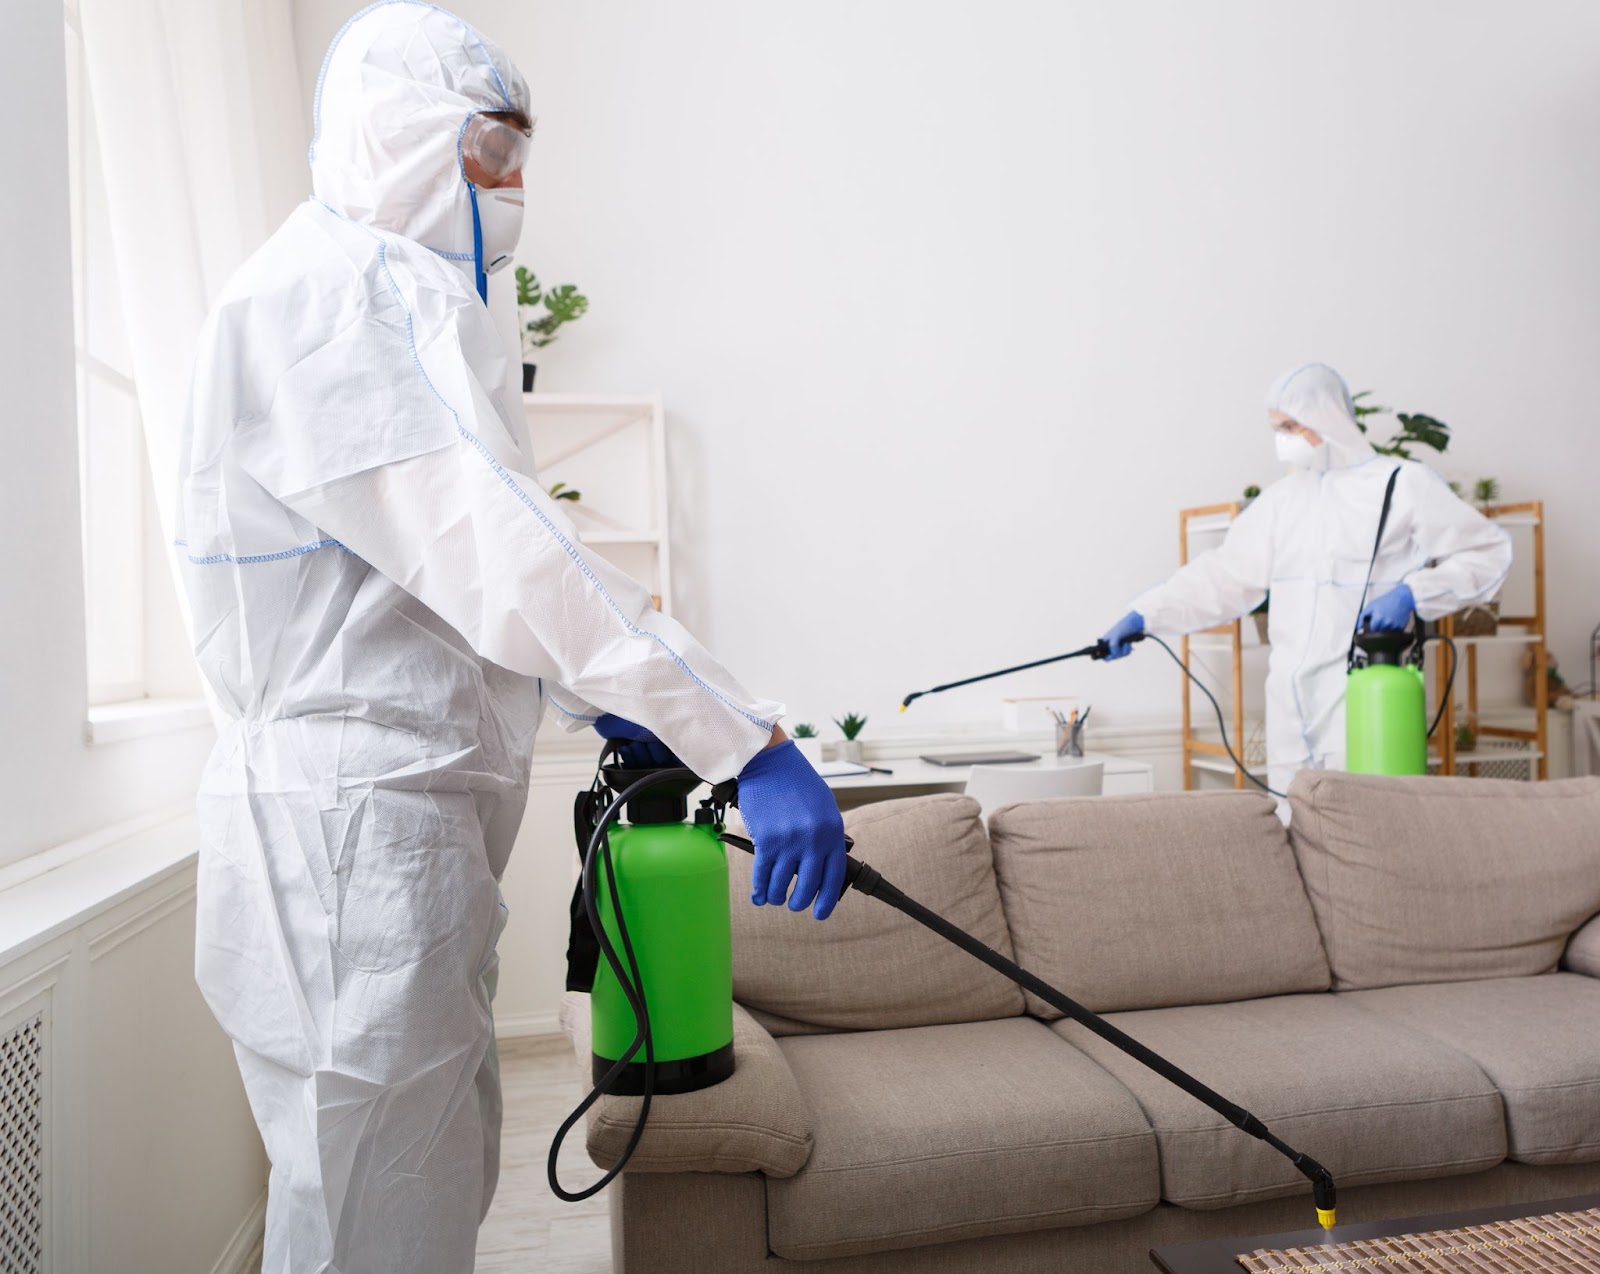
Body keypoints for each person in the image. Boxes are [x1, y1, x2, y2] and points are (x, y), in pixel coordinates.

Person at [174, 5, 844, 1271]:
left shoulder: (396, 301)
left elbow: (428, 589)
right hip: (349, 836)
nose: (514, 185)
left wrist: (607, 703)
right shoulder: (325, 303)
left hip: (391, 831)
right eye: (488, 150)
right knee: (380, 1224)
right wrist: (738, 736)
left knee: (414, 1193)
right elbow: (495, 545)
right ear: (402, 137)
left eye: (521, 152)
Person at [1099, 362, 1511, 796]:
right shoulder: (1281, 503)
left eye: (1291, 425)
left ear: (1326, 418)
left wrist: (1413, 594)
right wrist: (1144, 615)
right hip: (1290, 710)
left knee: (1368, 828)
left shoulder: (1400, 484)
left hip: (1364, 697)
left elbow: (1487, 551)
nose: (1283, 438)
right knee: (1290, 826)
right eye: (1277, 427)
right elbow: (1224, 576)